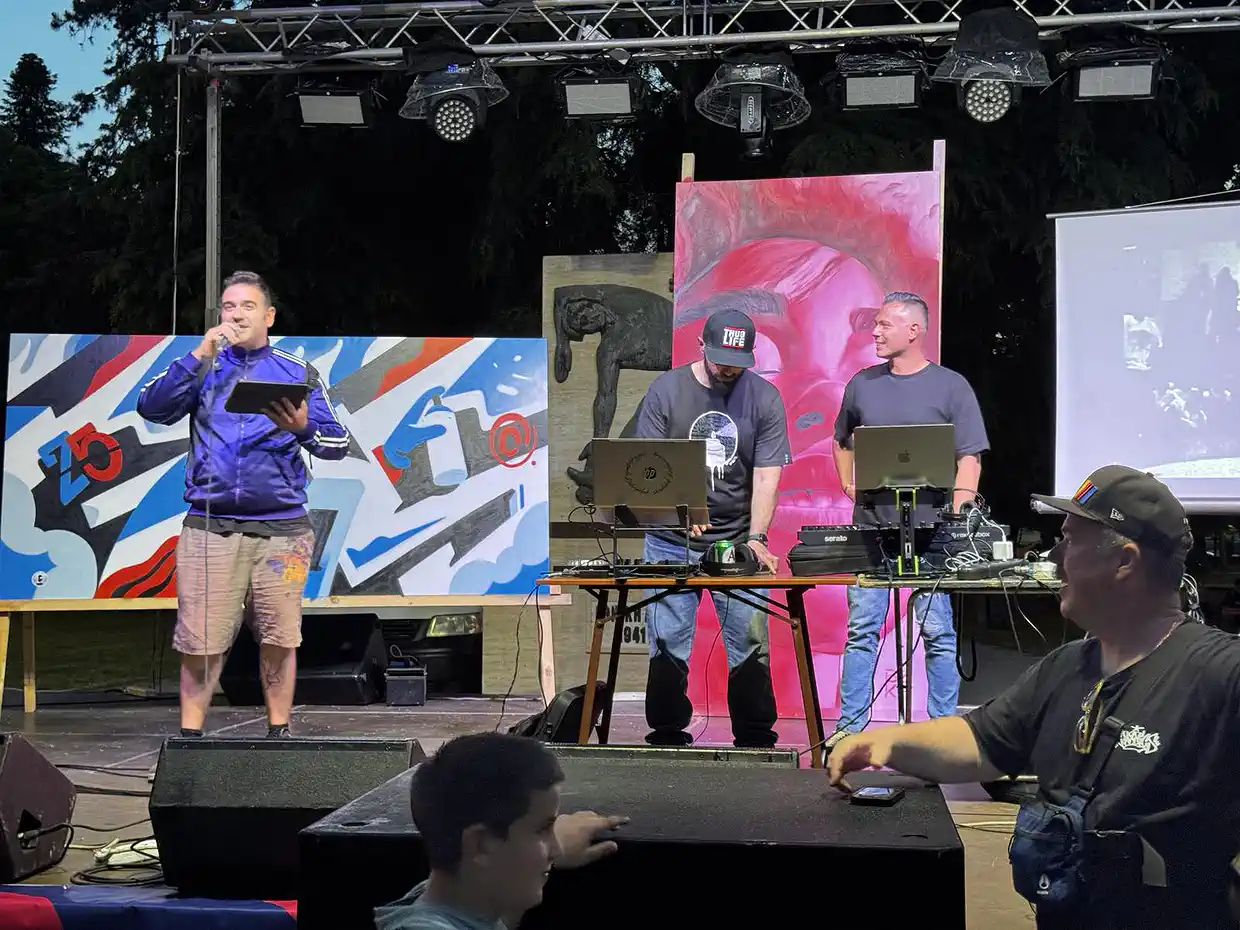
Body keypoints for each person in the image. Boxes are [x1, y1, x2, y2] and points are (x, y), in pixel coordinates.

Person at [828, 465, 1240, 930]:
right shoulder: (1068, 667)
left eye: (1070, 540)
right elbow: (981, 743)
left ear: (1124, 562)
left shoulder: (1220, 674)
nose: (1054, 556)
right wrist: (884, 744)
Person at [137, 270, 350, 741]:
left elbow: (337, 443)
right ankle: (190, 741)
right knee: (201, 640)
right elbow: (151, 407)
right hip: (210, 528)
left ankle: (279, 733)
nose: (236, 315)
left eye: (247, 306)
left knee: (280, 637)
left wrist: (302, 429)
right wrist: (200, 354)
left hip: (283, 534)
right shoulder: (202, 366)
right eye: (229, 307)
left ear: (269, 316)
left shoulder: (296, 372)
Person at [828, 292, 988, 747]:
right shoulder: (862, 384)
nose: (875, 332)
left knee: (937, 631)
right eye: (875, 324)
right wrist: (848, 485)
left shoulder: (951, 386)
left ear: (914, 331)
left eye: (885, 325)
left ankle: (942, 734)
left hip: (933, 529)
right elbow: (841, 440)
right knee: (862, 631)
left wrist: (961, 506)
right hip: (872, 527)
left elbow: (969, 455)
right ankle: (849, 731)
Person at [634, 307, 791, 748]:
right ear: (701, 345)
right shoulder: (666, 390)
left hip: (737, 538)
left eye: (737, 363)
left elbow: (766, 476)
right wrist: (681, 509)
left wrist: (757, 538)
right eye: (721, 359)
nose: (727, 369)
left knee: (750, 638)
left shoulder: (764, 398)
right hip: (671, 540)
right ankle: (667, 733)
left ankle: (756, 736)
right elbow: (648, 465)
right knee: (667, 639)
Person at [375, 733, 628, 930]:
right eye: (542, 829)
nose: (556, 849)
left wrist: (544, 848)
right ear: (481, 844)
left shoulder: (455, 898)